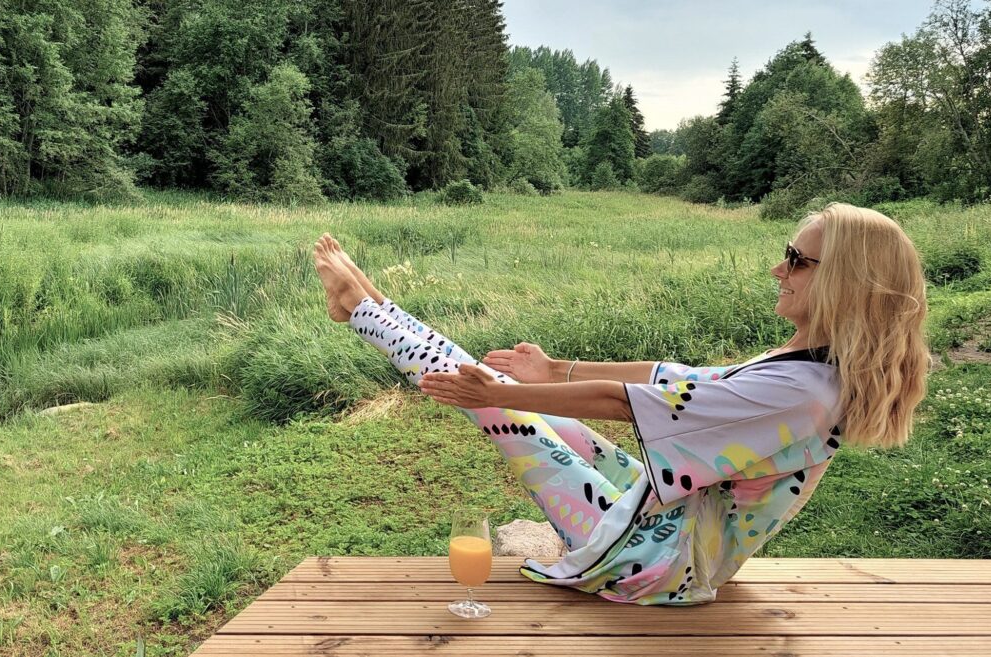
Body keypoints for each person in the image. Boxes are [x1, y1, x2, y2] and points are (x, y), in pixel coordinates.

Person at [312, 202, 929, 605]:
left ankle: (365, 309)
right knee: (509, 399)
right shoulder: (807, 369)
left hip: (650, 560)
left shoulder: (802, 393)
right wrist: (556, 370)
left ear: (844, 280)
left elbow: (623, 400)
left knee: (496, 403)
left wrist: (511, 392)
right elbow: (678, 378)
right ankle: (368, 306)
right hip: (662, 524)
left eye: (796, 259)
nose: (777, 268)